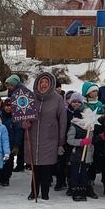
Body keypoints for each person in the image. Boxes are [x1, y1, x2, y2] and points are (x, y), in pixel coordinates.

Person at [24, 72, 67, 201]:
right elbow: (22, 114)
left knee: (46, 168)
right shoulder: (30, 97)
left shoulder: (58, 99)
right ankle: (34, 191)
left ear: (51, 85)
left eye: (46, 83)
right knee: (35, 167)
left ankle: (45, 192)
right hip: (33, 137)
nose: (43, 85)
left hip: (49, 138)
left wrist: (61, 142)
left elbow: (62, 120)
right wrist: (24, 123)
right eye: (41, 82)